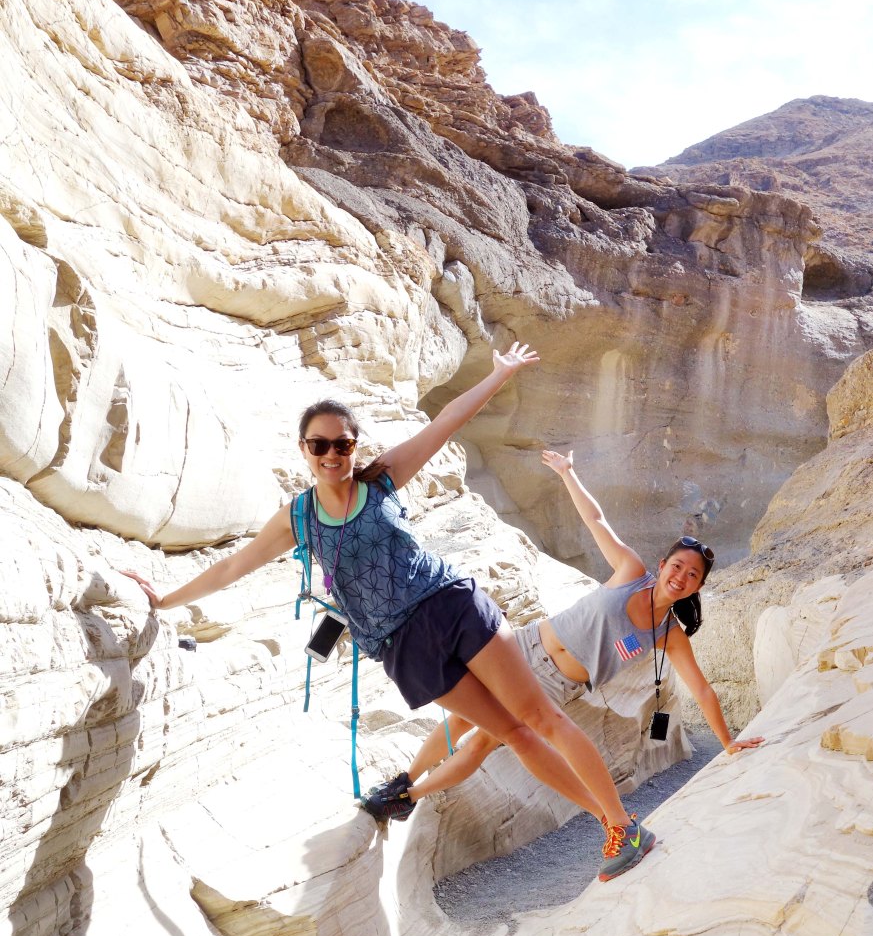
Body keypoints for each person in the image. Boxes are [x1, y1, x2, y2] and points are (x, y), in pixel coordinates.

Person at [122, 345, 656, 882]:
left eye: (342, 443)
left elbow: (445, 423)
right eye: (319, 444)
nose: (332, 454)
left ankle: (621, 825)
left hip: (451, 606)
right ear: (304, 449)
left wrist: (499, 373)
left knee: (541, 718)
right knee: (512, 735)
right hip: (403, 648)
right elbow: (233, 566)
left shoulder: (380, 480)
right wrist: (165, 599)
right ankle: (611, 824)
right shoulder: (298, 518)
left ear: (354, 446)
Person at [362, 448, 763, 822]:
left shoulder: (669, 634)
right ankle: (405, 778)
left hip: (553, 684)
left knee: (484, 740)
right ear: (662, 564)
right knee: (461, 718)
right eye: (677, 567)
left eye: (692, 575)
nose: (681, 577)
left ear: (697, 587)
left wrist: (728, 742)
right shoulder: (630, 571)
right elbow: (596, 520)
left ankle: (408, 799)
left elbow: (702, 690)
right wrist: (568, 473)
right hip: (523, 645)